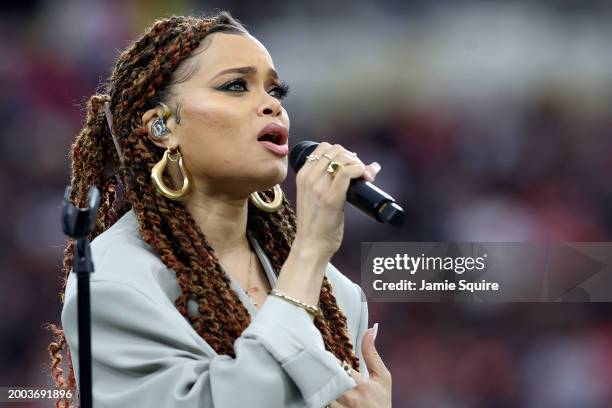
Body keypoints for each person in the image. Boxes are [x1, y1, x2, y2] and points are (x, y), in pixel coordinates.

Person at [46, 11, 392, 408]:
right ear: (162, 126)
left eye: (276, 91)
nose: (270, 105)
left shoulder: (338, 294)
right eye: (235, 86)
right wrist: (311, 249)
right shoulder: (114, 285)